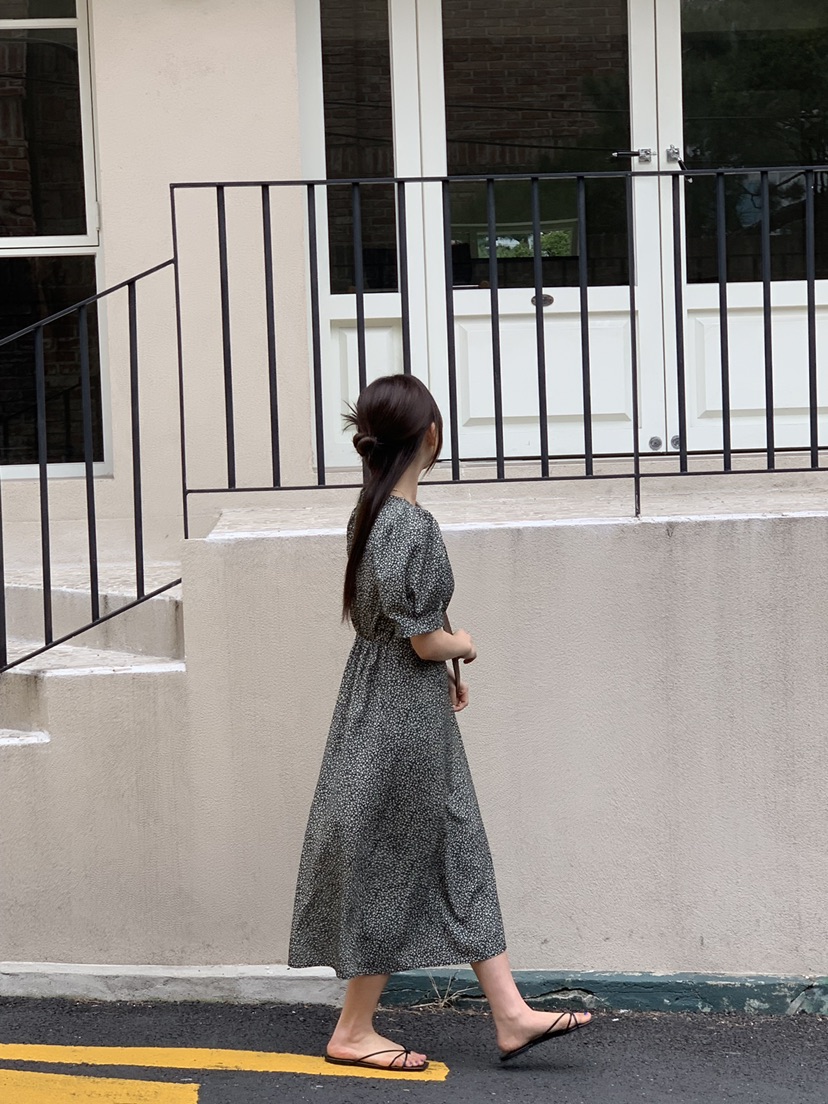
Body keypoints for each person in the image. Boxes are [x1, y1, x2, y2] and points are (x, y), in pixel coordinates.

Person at [288, 374, 591, 1072]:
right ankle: (353, 1030)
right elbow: (426, 640)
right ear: (430, 437)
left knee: (457, 845)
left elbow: (396, 625)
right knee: (395, 857)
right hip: (404, 714)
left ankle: (510, 1014)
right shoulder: (410, 525)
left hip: (381, 699)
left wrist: (440, 668)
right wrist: (465, 647)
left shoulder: (370, 516)